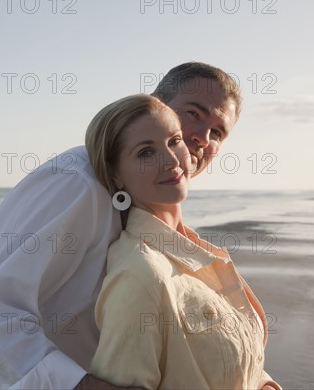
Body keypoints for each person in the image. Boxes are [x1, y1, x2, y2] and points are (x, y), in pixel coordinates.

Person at [0, 62, 242, 390]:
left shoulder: (155, 206)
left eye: (217, 132)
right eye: (195, 113)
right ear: (155, 103)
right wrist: (83, 385)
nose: (203, 138)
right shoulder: (76, 181)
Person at [86, 94, 281, 390]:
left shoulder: (198, 251)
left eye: (174, 141)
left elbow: (235, 364)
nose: (171, 160)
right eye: (146, 153)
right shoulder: (140, 275)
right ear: (115, 174)